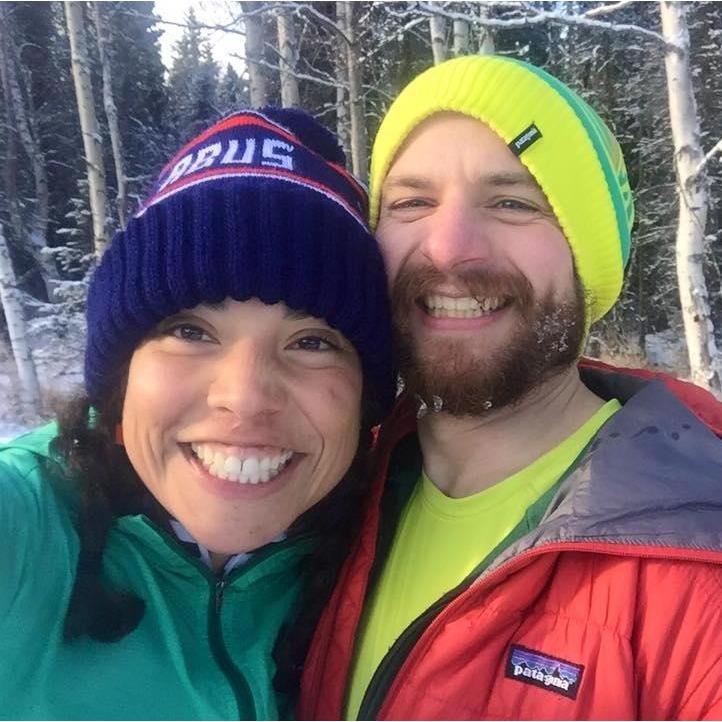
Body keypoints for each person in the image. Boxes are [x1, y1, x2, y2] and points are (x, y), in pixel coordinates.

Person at [299, 55, 722, 720]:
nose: (450, 248)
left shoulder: (699, 567)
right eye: (412, 201)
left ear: (588, 262)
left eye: (512, 202)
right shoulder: (324, 488)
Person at [0, 108, 394, 719]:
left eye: (312, 342)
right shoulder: (23, 525)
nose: (244, 395)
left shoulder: (390, 549)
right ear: (120, 378)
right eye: (190, 330)